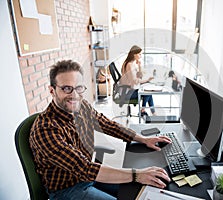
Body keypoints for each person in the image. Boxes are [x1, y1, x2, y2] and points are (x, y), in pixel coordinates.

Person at [29, 60, 171, 200]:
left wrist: (143, 139)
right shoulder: (45, 129)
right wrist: (137, 175)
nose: (74, 95)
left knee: (142, 189)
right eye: (66, 88)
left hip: (91, 176)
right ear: (52, 90)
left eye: (78, 87)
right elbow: (83, 168)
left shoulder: (82, 106)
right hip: (68, 189)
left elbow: (106, 124)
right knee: (137, 180)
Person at [120, 45, 155, 117]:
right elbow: (135, 81)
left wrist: (139, 66)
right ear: (134, 54)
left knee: (148, 92)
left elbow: (140, 76)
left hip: (131, 89)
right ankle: (144, 111)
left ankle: (147, 111)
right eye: (139, 54)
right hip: (128, 93)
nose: (141, 56)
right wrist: (147, 79)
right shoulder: (129, 65)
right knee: (148, 92)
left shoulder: (131, 63)